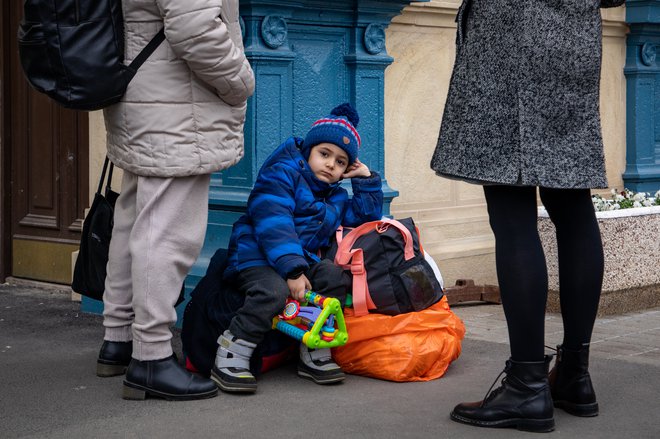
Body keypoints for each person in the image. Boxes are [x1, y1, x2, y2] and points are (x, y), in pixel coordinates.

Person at [430, 0, 617, 432]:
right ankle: (574, 375)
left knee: (512, 211)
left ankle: (527, 386)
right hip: (572, 40)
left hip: (510, 35)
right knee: (571, 202)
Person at [95, 0, 255, 401]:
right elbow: (194, 27)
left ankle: (119, 341)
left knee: (135, 222)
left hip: (146, 98)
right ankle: (150, 358)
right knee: (166, 235)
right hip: (179, 109)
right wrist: (241, 81)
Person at [211, 103, 384, 394]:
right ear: (308, 151)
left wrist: (367, 180)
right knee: (273, 291)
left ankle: (314, 349)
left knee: (331, 276)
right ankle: (232, 351)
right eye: (324, 154)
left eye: (341, 162)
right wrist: (292, 270)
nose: (331, 164)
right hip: (255, 254)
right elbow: (273, 220)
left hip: (298, 260)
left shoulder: (336, 196)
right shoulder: (282, 174)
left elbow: (365, 218)